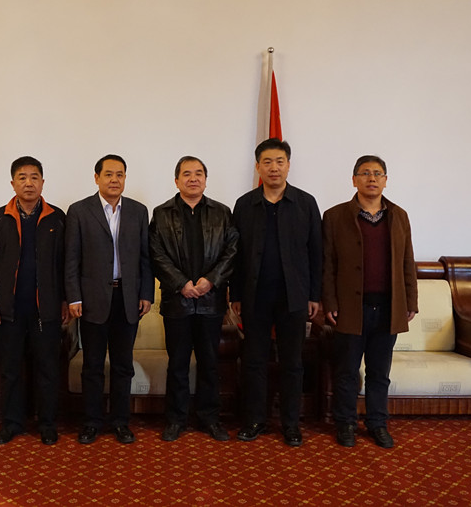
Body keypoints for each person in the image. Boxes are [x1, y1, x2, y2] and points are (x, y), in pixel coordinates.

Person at [230, 138, 322, 447]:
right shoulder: (244, 204)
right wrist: (235, 295)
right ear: (258, 167)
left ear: (288, 165)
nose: (274, 168)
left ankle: (291, 423)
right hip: (255, 295)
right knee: (254, 361)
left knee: (292, 363)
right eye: (267, 162)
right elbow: (237, 255)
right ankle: (255, 420)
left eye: (279, 161)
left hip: (293, 297)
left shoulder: (305, 203)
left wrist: (314, 295)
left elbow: (316, 253)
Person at [322, 155, 417, 449]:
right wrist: (329, 302)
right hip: (350, 308)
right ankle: (345, 423)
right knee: (347, 371)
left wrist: (410, 300)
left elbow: (407, 261)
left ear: (386, 180)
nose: (371, 178)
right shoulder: (335, 216)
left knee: (379, 373)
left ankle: (377, 423)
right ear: (354, 180)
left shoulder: (398, 216)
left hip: (387, 307)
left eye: (377, 173)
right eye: (364, 173)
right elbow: (328, 264)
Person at [0, 156, 68, 446]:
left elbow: (66, 263)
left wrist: (66, 300)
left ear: (43, 182)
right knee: (11, 369)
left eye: (34, 177)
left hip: (46, 310)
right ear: (13, 183)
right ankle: (11, 422)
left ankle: (47, 423)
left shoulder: (57, 218)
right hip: (8, 310)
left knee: (48, 369)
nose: (29, 183)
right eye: (22, 178)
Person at [65, 154, 154, 445]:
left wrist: (146, 293)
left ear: (125, 178)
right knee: (92, 365)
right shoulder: (79, 211)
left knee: (122, 365)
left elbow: (145, 257)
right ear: (96, 178)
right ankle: (91, 422)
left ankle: (120, 422)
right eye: (108, 174)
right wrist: (73, 297)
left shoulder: (139, 211)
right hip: (91, 299)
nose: (114, 180)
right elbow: (71, 259)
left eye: (120, 175)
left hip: (127, 298)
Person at [149, 156, 238, 442]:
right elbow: (155, 254)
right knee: (177, 363)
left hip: (211, 301)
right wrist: (181, 284)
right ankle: (176, 419)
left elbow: (232, 251)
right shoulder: (162, 213)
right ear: (176, 181)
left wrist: (210, 280)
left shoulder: (222, 213)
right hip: (177, 302)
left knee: (209, 363)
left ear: (206, 180)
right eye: (186, 174)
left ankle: (210, 418)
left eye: (199, 173)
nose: (193, 178)